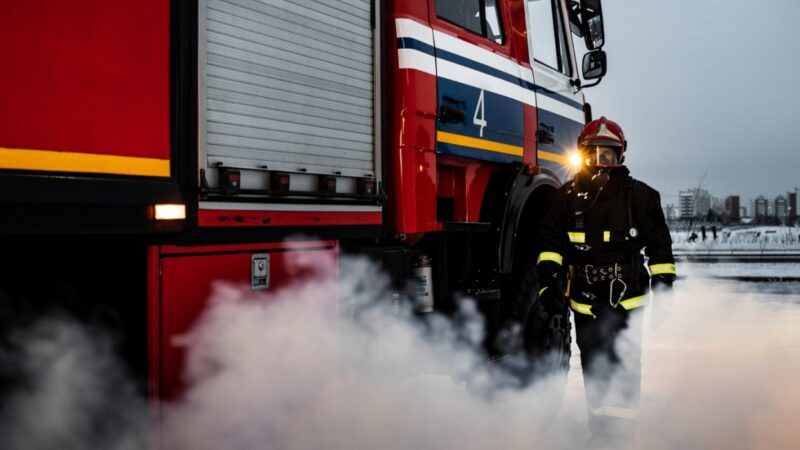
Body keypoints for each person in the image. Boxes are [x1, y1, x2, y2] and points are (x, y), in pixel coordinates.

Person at [535, 116, 676, 445]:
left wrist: (665, 288)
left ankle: (621, 437)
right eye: (593, 154)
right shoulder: (565, 198)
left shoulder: (640, 197)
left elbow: (660, 247)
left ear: (620, 156)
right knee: (595, 368)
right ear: (582, 154)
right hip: (585, 302)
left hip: (628, 302)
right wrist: (547, 282)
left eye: (608, 155)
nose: (600, 162)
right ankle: (600, 433)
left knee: (624, 366)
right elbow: (549, 244)